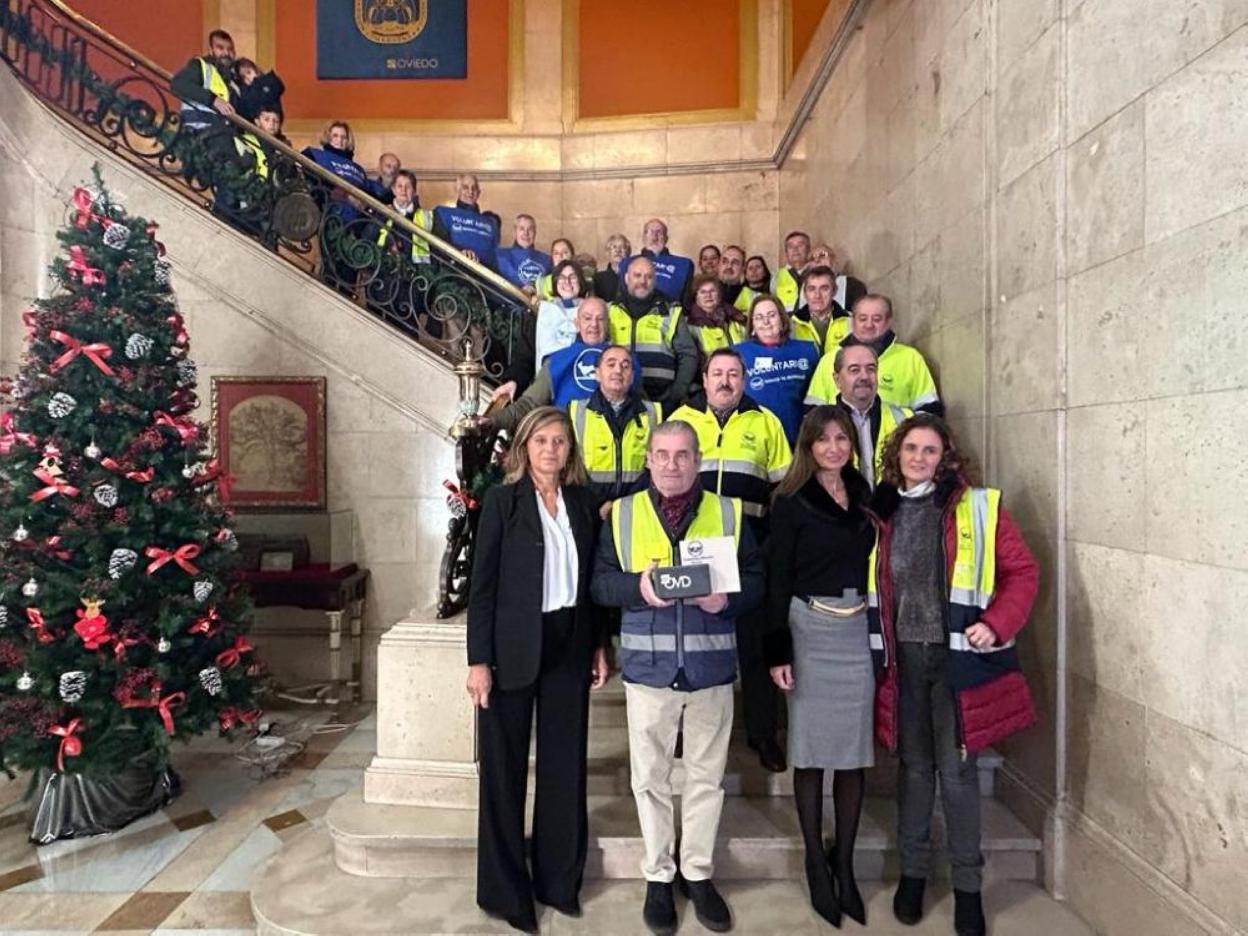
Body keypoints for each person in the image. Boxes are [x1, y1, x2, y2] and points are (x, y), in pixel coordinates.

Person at [591, 420, 765, 936]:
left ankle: (698, 873)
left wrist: (727, 599)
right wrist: (637, 588)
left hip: (711, 668)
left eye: (682, 455)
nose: (672, 464)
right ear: (648, 460)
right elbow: (599, 584)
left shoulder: (728, 512)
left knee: (706, 779)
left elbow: (757, 581)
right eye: (662, 455)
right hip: (649, 670)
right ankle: (659, 876)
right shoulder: (620, 516)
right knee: (650, 780)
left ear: (699, 458)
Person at [869, 414, 1039, 936]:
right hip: (903, 662)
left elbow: (1022, 573)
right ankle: (914, 875)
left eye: (930, 450)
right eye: (911, 448)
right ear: (896, 454)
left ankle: (968, 887)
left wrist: (997, 622)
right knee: (915, 772)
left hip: (958, 662)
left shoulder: (978, 508)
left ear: (946, 457)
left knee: (959, 775)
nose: (919, 458)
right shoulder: (882, 511)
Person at [467, 407, 609, 933]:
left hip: (569, 643)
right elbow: (481, 592)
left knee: (563, 767)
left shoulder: (581, 501)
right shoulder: (503, 504)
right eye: (541, 441)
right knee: (503, 772)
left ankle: (557, 880)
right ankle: (506, 892)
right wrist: (478, 661)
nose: (551, 450)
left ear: (570, 450)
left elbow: (592, 583)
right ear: (524, 447)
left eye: (560, 442)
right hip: (511, 650)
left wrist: (597, 643)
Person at [766, 406, 876, 928]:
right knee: (809, 754)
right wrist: (777, 650)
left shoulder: (867, 496)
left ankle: (845, 864)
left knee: (853, 755)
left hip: (857, 631)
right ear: (807, 445)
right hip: (808, 627)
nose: (834, 447)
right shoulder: (789, 502)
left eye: (842, 438)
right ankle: (815, 859)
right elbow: (776, 580)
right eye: (824, 439)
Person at [669, 349, 792, 773]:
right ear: (704, 379)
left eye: (733, 374)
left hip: (748, 548)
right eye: (717, 373)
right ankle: (683, 729)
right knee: (692, 644)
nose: (725, 381)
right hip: (693, 549)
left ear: (744, 379)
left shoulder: (765, 422)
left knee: (754, 645)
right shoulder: (682, 420)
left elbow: (783, 488)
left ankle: (762, 733)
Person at [808, 294, 942, 414]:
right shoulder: (829, 360)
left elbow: (929, 412)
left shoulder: (910, 358)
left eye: (877, 319)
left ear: (889, 321)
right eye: (862, 319)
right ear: (853, 321)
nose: (869, 325)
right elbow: (813, 414)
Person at [567, 345, 660, 511]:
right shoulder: (575, 412)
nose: (618, 370)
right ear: (597, 373)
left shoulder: (653, 413)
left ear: (631, 376)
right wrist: (600, 503)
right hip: (588, 508)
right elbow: (571, 465)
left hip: (636, 508)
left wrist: (625, 505)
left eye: (625, 366)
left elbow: (655, 466)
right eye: (611, 364)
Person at [804, 344, 911, 487]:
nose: (864, 376)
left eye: (871, 369)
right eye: (854, 370)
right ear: (837, 380)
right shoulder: (818, 425)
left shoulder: (904, 419)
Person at [493, 263, 593, 404]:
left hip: (580, 390)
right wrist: (514, 380)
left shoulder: (594, 312)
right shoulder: (542, 313)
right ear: (555, 282)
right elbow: (525, 355)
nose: (567, 282)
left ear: (581, 282)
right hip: (546, 390)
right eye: (562, 278)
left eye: (573, 277)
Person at [608, 256, 698, 409]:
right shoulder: (609, 310)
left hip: (663, 401)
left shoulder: (671, 311)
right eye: (637, 275)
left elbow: (688, 354)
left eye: (648, 277)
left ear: (655, 280)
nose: (643, 281)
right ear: (626, 278)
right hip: (617, 400)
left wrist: (676, 394)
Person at [733, 295, 820, 445]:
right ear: (752, 326)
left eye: (771, 315)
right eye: (759, 317)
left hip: (798, 437)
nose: (766, 322)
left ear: (782, 319)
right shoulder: (736, 354)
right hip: (753, 439)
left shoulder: (808, 350)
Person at [301, 121, 371, 291]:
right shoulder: (315, 154)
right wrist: (344, 194)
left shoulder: (359, 170)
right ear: (328, 137)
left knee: (349, 277)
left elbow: (373, 193)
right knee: (331, 273)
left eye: (343, 137)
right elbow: (311, 180)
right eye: (335, 136)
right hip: (331, 220)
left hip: (355, 226)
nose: (339, 140)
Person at [365, 170, 434, 318]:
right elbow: (367, 238)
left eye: (408, 186)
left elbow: (434, 252)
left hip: (411, 285)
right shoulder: (381, 211)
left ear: (414, 191)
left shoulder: (425, 217)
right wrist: (382, 216)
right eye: (399, 186)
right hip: (382, 281)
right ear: (393, 190)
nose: (403, 190)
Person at [172, 29, 237, 132]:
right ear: (211, 50)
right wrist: (214, 100)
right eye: (220, 48)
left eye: (230, 49)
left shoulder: (234, 80)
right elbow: (178, 84)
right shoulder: (200, 66)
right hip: (198, 132)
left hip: (223, 134)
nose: (226, 53)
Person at [685, 275, 748, 377]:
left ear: (719, 295)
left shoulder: (735, 319)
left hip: (742, 378)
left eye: (712, 291)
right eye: (703, 292)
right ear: (695, 297)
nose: (708, 295)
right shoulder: (690, 326)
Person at [433, 174, 499, 269]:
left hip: (485, 277)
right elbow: (439, 244)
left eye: (474, 188)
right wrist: (460, 252)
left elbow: (496, 255)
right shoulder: (443, 213)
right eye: (465, 187)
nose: (470, 191)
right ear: (458, 190)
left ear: (479, 193)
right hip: (455, 272)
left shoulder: (491, 223)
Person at [625, 218, 694, 302]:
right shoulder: (627, 263)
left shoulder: (684, 265)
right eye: (650, 232)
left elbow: (687, 301)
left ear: (666, 238)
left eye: (659, 232)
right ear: (643, 237)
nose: (654, 237)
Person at [791, 265, 850, 352]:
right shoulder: (791, 324)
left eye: (824, 289)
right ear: (805, 293)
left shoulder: (851, 322)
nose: (817, 295)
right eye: (812, 289)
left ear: (834, 291)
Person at [496, 214, 553, 291]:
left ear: (535, 233)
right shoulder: (500, 256)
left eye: (530, 229)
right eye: (522, 229)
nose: (526, 233)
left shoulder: (547, 260)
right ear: (514, 233)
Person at [811, 243, 868, 314]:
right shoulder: (804, 289)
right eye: (812, 258)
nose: (817, 261)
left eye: (822, 255)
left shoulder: (853, 286)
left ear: (834, 260)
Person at [233, 57, 284, 124]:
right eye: (243, 77)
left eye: (249, 72)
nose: (248, 78)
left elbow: (279, 88)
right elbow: (247, 108)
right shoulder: (245, 91)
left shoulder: (269, 81)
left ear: (256, 70)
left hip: (274, 124)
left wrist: (256, 82)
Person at [772, 230, 813, 312]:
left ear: (809, 249)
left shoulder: (817, 273)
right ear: (786, 252)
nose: (795, 249)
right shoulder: (776, 277)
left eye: (800, 245)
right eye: (790, 246)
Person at [593, 233, 631, 302]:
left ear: (627, 252)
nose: (618, 251)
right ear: (608, 253)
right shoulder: (598, 278)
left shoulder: (633, 277)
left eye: (622, 247)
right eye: (614, 247)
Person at [717, 245, 748, 309]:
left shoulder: (749, 296)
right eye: (725, 261)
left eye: (735, 262)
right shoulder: (704, 292)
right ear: (719, 264)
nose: (729, 266)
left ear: (743, 268)